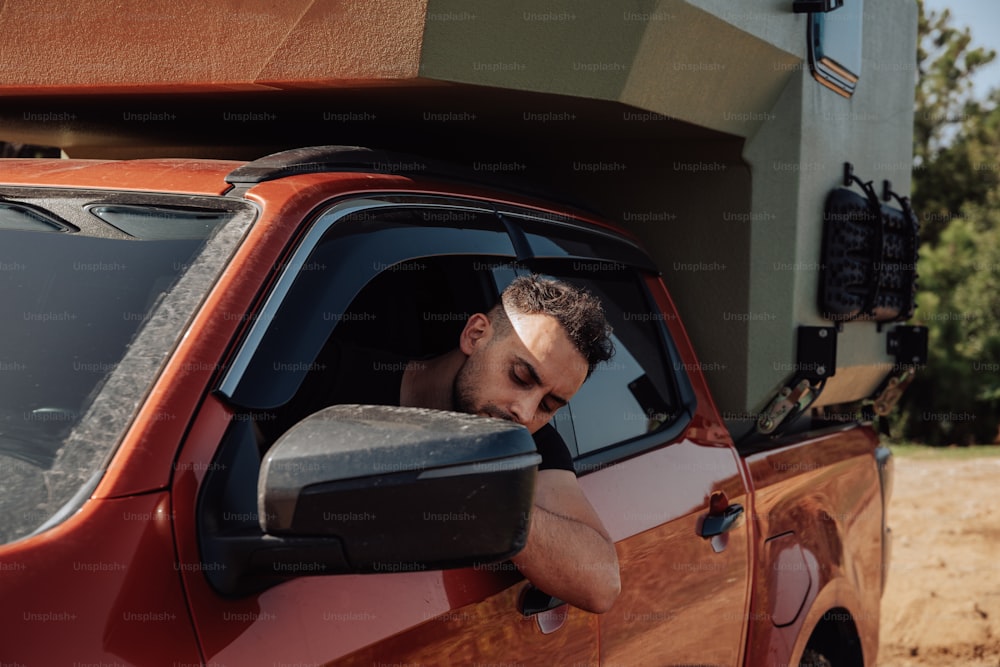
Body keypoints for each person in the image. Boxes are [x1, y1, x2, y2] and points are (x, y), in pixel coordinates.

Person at [270, 274, 622, 613]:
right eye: (521, 376)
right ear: (475, 335)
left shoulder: (531, 439)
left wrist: (484, 496)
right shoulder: (324, 379)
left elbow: (601, 584)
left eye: (549, 406)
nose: (525, 412)